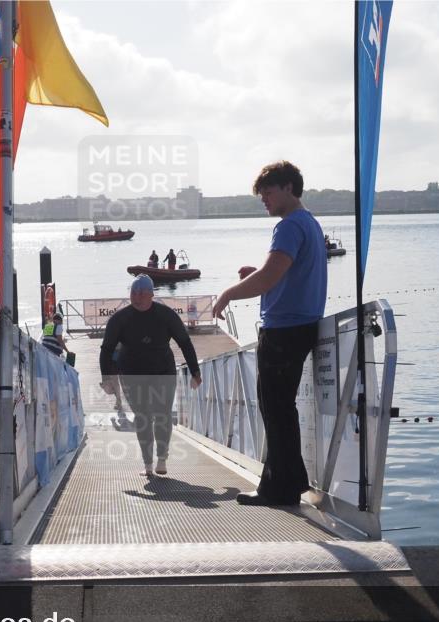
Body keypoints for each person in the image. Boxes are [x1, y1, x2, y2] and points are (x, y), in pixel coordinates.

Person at [212, 160, 327, 506]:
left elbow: (269, 277)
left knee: (275, 409)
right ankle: (288, 482)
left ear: (289, 188)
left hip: (284, 330)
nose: (263, 198)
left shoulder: (289, 226)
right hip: (302, 324)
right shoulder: (310, 224)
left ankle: (280, 488)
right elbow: (278, 275)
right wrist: (258, 275)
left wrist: (229, 293)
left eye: (268, 190)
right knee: (280, 408)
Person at [100, 274, 202, 477]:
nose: (136, 297)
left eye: (141, 293)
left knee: (162, 415)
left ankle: (162, 458)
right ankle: (148, 464)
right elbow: (106, 349)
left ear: (151, 295)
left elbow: (185, 342)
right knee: (143, 417)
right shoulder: (119, 319)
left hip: (163, 371)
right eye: (133, 292)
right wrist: (107, 378)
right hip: (131, 373)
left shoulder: (166, 315)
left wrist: (195, 371)